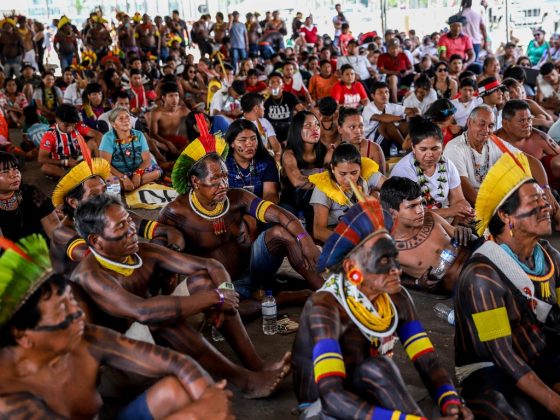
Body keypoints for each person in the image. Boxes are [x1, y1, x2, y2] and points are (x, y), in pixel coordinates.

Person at [73, 192, 291, 398]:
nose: (131, 229)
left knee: (204, 283)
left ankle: (256, 364)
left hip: (153, 346)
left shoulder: (141, 252)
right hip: (118, 368)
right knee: (164, 316)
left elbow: (210, 265)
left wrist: (226, 292)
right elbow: (144, 311)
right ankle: (246, 382)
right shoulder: (91, 275)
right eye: (121, 226)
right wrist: (216, 298)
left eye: (129, 221)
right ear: (95, 240)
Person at [0, 234, 235, 419]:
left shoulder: (83, 336)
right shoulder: (10, 401)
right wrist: (194, 415)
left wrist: (209, 397)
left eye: (72, 303)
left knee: (177, 390)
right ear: (22, 336)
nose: (78, 315)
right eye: (63, 311)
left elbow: (179, 363)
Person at [292, 198, 473, 420]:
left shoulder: (396, 297)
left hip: (370, 385)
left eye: (395, 259)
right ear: (352, 268)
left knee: (377, 368)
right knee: (376, 368)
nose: (396, 270)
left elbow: (427, 360)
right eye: (384, 261)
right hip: (324, 407)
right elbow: (332, 397)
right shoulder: (324, 307)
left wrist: (450, 401)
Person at [160, 115, 323, 307]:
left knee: (281, 232)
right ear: (195, 181)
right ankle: (284, 299)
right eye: (215, 180)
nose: (223, 185)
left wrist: (305, 239)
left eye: (225, 177)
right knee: (232, 309)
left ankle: (327, 293)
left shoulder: (236, 196)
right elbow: (162, 253)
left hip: (255, 266)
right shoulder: (176, 211)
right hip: (224, 287)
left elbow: (277, 212)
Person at [455, 151, 560, 418]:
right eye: (535, 201)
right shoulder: (481, 276)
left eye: (544, 198)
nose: (546, 204)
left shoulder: (551, 257)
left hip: (541, 350)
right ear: (505, 215)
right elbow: (501, 353)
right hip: (493, 366)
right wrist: (553, 402)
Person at [49, 157, 184, 277]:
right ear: (73, 202)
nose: (104, 199)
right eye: (94, 196)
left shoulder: (114, 215)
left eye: (104, 191)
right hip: (82, 297)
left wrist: (172, 251)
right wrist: (160, 257)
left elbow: (168, 231)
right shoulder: (64, 232)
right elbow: (104, 262)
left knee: (160, 243)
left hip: (115, 283)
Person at [380, 176, 473, 294]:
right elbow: (387, 279)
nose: (420, 210)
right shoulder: (387, 248)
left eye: (420, 203)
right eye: (411, 206)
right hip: (460, 287)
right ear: (392, 213)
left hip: (475, 260)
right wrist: (417, 283)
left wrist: (464, 232)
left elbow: (459, 234)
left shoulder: (431, 217)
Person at [444, 105, 549, 206]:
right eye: (482, 124)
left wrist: (546, 190)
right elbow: (464, 187)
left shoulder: (494, 141)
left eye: (490, 126)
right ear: (470, 123)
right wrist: (494, 210)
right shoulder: (455, 148)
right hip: (471, 204)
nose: (486, 130)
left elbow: (530, 161)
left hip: (494, 200)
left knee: (542, 201)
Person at [391, 116, 472, 219]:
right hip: (415, 224)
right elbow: (413, 213)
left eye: (435, 149)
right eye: (423, 149)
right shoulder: (404, 170)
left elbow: (458, 200)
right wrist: (450, 212)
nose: (429, 154)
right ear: (413, 148)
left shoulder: (447, 164)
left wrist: (461, 217)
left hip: (445, 220)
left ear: (442, 146)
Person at [310, 142, 385, 243]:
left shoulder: (366, 172)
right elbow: (319, 231)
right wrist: (351, 242)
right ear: (332, 168)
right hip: (338, 235)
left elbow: (390, 187)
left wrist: (376, 194)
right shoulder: (323, 187)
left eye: (354, 173)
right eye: (342, 174)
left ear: (360, 168)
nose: (349, 179)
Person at [497, 100, 560, 191]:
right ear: (505, 124)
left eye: (529, 119)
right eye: (522, 121)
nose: (527, 124)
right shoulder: (493, 142)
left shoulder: (540, 137)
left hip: (546, 186)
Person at [280, 111, 328, 229]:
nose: (315, 129)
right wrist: (322, 177)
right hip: (292, 203)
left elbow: (334, 174)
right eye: (308, 126)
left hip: (317, 201)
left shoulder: (325, 150)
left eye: (317, 124)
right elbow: (297, 181)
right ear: (297, 130)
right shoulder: (289, 154)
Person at [99, 107, 161, 192]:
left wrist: (137, 174)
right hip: (118, 171)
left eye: (127, 117)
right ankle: (130, 184)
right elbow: (105, 164)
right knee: (111, 181)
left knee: (157, 173)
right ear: (114, 124)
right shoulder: (107, 137)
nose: (126, 120)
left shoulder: (139, 135)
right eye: (121, 118)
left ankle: (129, 185)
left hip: (138, 169)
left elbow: (147, 159)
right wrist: (123, 177)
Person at [0, 151, 58, 242]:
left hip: (43, 250)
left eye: (15, 168)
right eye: (5, 171)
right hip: (11, 254)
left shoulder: (31, 193)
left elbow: (54, 226)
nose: (14, 174)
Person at [224, 119, 280, 203]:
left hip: (260, 211)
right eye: (243, 140)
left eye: (253, 139)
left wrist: (258, 212)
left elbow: (270, 194)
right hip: (230, 211)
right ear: (232, 143)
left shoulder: (266, 162)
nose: (250, 144)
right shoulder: (222, 164)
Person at [38, 104, 101, 179]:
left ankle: (99, 169)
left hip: (78, 159)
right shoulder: (50, 134)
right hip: (61, 164)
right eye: (66, 125)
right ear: (57, 120)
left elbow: (98, 135)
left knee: (93, 143)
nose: (70, 128)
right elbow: (41, 159)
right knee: (45, 167)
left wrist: (101, 156)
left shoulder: (78, 125)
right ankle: (73, 177)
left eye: (73, 124)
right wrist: (65, 162)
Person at [362, 81, 417, 156]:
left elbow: (413, 111)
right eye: (380, 93)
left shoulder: (389, 106)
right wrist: (402, 117)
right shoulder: (368, 108)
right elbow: (382, 118)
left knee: (406, 123)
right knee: (386, 124)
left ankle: (410, 145)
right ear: (373, 96)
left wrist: (414, 114)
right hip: (371, 142)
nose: (384, 95)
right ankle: (406, 148)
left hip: (386, 139)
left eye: (386, 92)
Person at [337, 107, 386, 172]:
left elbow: (382, 180)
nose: (358, 131)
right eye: (352, 127)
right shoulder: (332, 151)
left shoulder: (374, 149)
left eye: (361, 126)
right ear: (340, 129)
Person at [149, 82, 190, 154]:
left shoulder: (184, 110)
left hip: (179, 141)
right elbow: (153, 134)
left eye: (176, 95)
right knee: (152, 142)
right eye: (171, 96)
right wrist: (168, 143)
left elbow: (196, 125)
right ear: (164, 98)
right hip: (163, 143)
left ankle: (180, 155)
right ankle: (161, 159)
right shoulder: (156, 113)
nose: (174, 99)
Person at [240, 92, 282, 161]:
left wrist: (277, 155)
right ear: (256, 108)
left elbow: (275, 143)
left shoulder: (264, 122)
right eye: (262, 105)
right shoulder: (239, 125)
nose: (264, 108)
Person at [264, 72, 304, 143]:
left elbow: (302, 110)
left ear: (282, 86)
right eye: (272, 82)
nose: (275, 84)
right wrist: (265, 95)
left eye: (278, 82)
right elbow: (256, 111)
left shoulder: (289, 96)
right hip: (271, 129)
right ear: (268, 86)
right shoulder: (265, 98)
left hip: (288, 127)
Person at [377, 39, 415, 103]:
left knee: (419, 76)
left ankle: (418, 99)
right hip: (392, 77)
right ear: (388, 48)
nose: (395, 50)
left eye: (396, 48)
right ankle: (395, 102)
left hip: (405, 75)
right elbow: (381, 70)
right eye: (392, 48)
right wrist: (396, 73)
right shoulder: (382, 56)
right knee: (393, 78)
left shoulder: (403, 55)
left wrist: (407, 72)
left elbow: (412, 68)